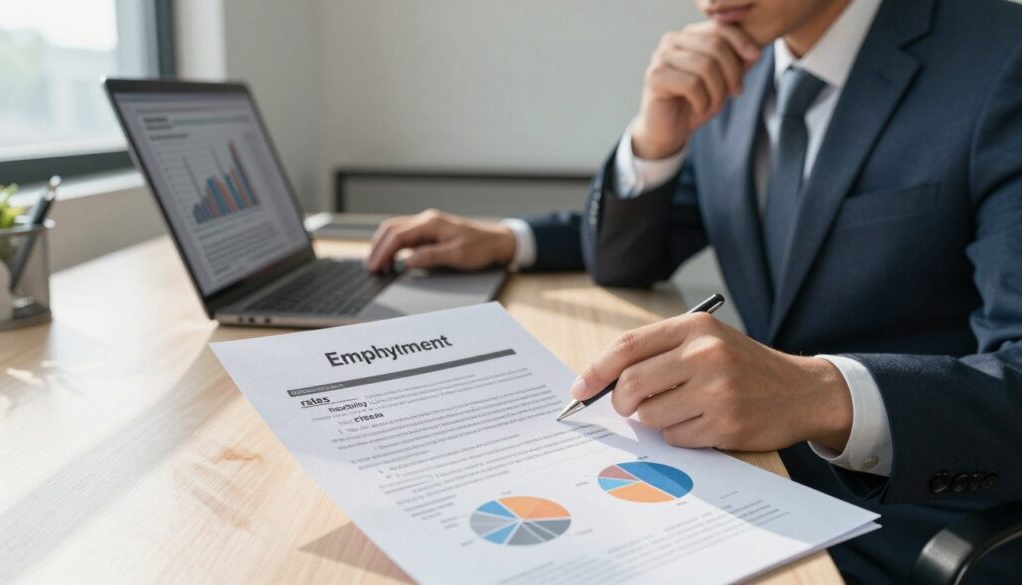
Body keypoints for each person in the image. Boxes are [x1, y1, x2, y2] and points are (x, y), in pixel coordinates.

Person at [365, 0, 1022, 581]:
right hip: (753, 476)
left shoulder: (1001, 58)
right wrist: (645, 145)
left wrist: (818, 394)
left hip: (920, 514)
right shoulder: (742, 67)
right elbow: (637, 255)